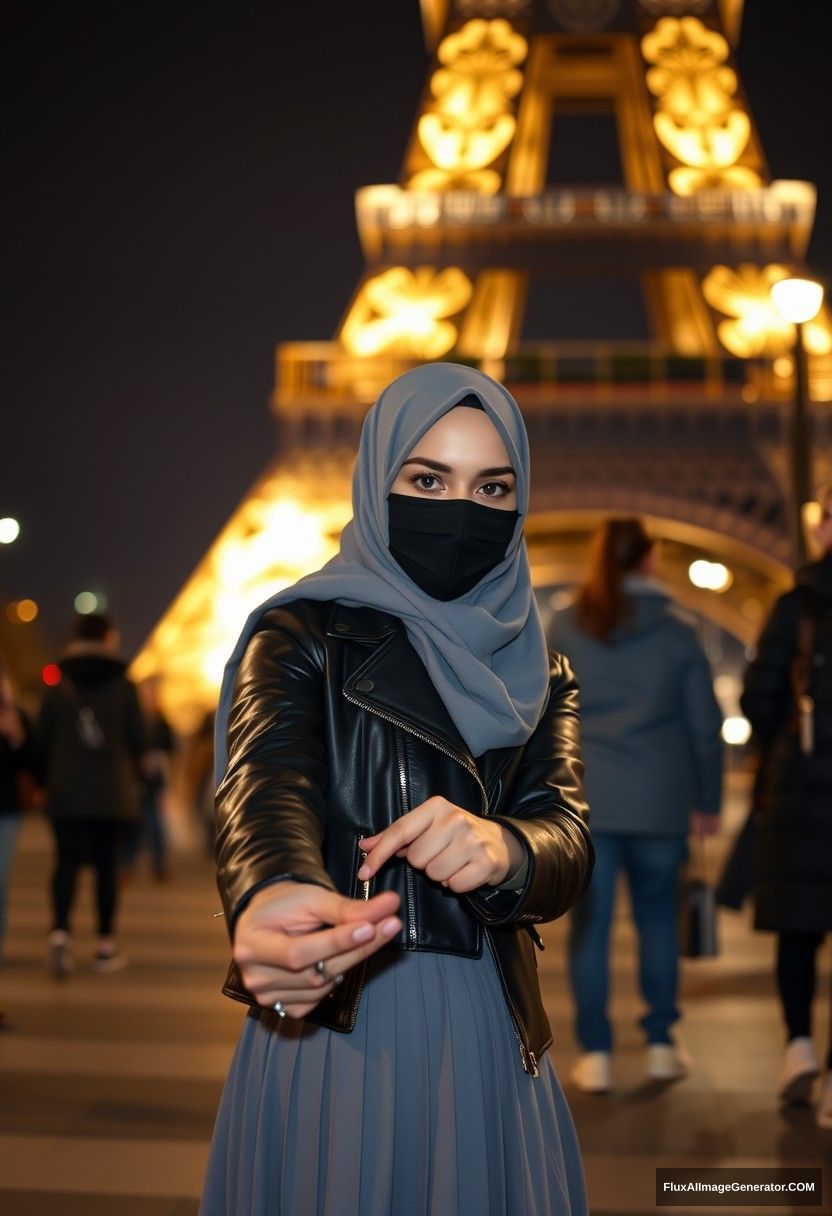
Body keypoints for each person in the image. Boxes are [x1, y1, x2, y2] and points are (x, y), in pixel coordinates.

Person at [200, 363, 594, 1215]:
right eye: (427, 479)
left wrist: (509, 845)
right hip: (342, 1016)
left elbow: (566, 836)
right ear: (377, 482)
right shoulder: (298, 633)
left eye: (493, 487)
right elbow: (263, 786)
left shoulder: (544, 670)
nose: (462, 511)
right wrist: (273, 891)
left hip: (490, 1026)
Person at [548, 518, 723, 1093]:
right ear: (649, 561)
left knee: (590, 930)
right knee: (657, 924)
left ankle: (595, 1053)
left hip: (588, 803)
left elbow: (543, 717)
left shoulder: (568, 629)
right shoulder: (677, 634)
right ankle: (659, 1044)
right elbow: (703, 726)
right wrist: (707, 799)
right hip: (660, 804)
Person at [741, 484, 832, 1130]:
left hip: (801, 791)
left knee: (799, 929)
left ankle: (798, 1044)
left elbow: (758, 699)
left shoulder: (796, 607)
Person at [37, 612, 144, 976]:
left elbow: (43, 739)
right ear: (107, 638)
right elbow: (136, 740)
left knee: (65, 862)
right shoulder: (124, 684)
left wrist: (43, 782)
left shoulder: (59, 683)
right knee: (105, 868)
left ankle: (60, 935)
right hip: (111, 793)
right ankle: (104, 946)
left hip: (65, 790)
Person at [122, 677, 175, 881]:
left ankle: (158, 866)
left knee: (155, 824)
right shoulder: (135, 720)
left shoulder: (162, 722)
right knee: (135, 824)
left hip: (155, 781)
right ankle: (128, 865)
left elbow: (171, 752)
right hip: (136, 780)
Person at [0, 656, 32, 976]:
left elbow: (31, 763)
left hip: (7, 810)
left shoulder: (16, 716)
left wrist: (16, 736)